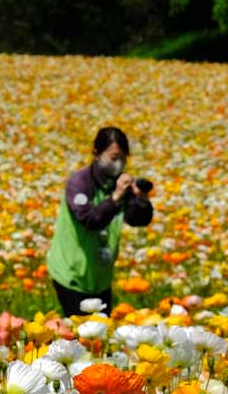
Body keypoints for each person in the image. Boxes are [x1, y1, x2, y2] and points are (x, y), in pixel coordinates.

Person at [48, 126, 154, 316]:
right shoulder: (79, 183)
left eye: (123, 158)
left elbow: (138, 220)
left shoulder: (120, 183)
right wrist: (115, 197)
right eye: (114, 157)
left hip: (101, 277)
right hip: (72, 274)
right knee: (79, 337)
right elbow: (90, 219)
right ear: (96, 153)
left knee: (100, 335)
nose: (119, 163)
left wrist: (141, 200)